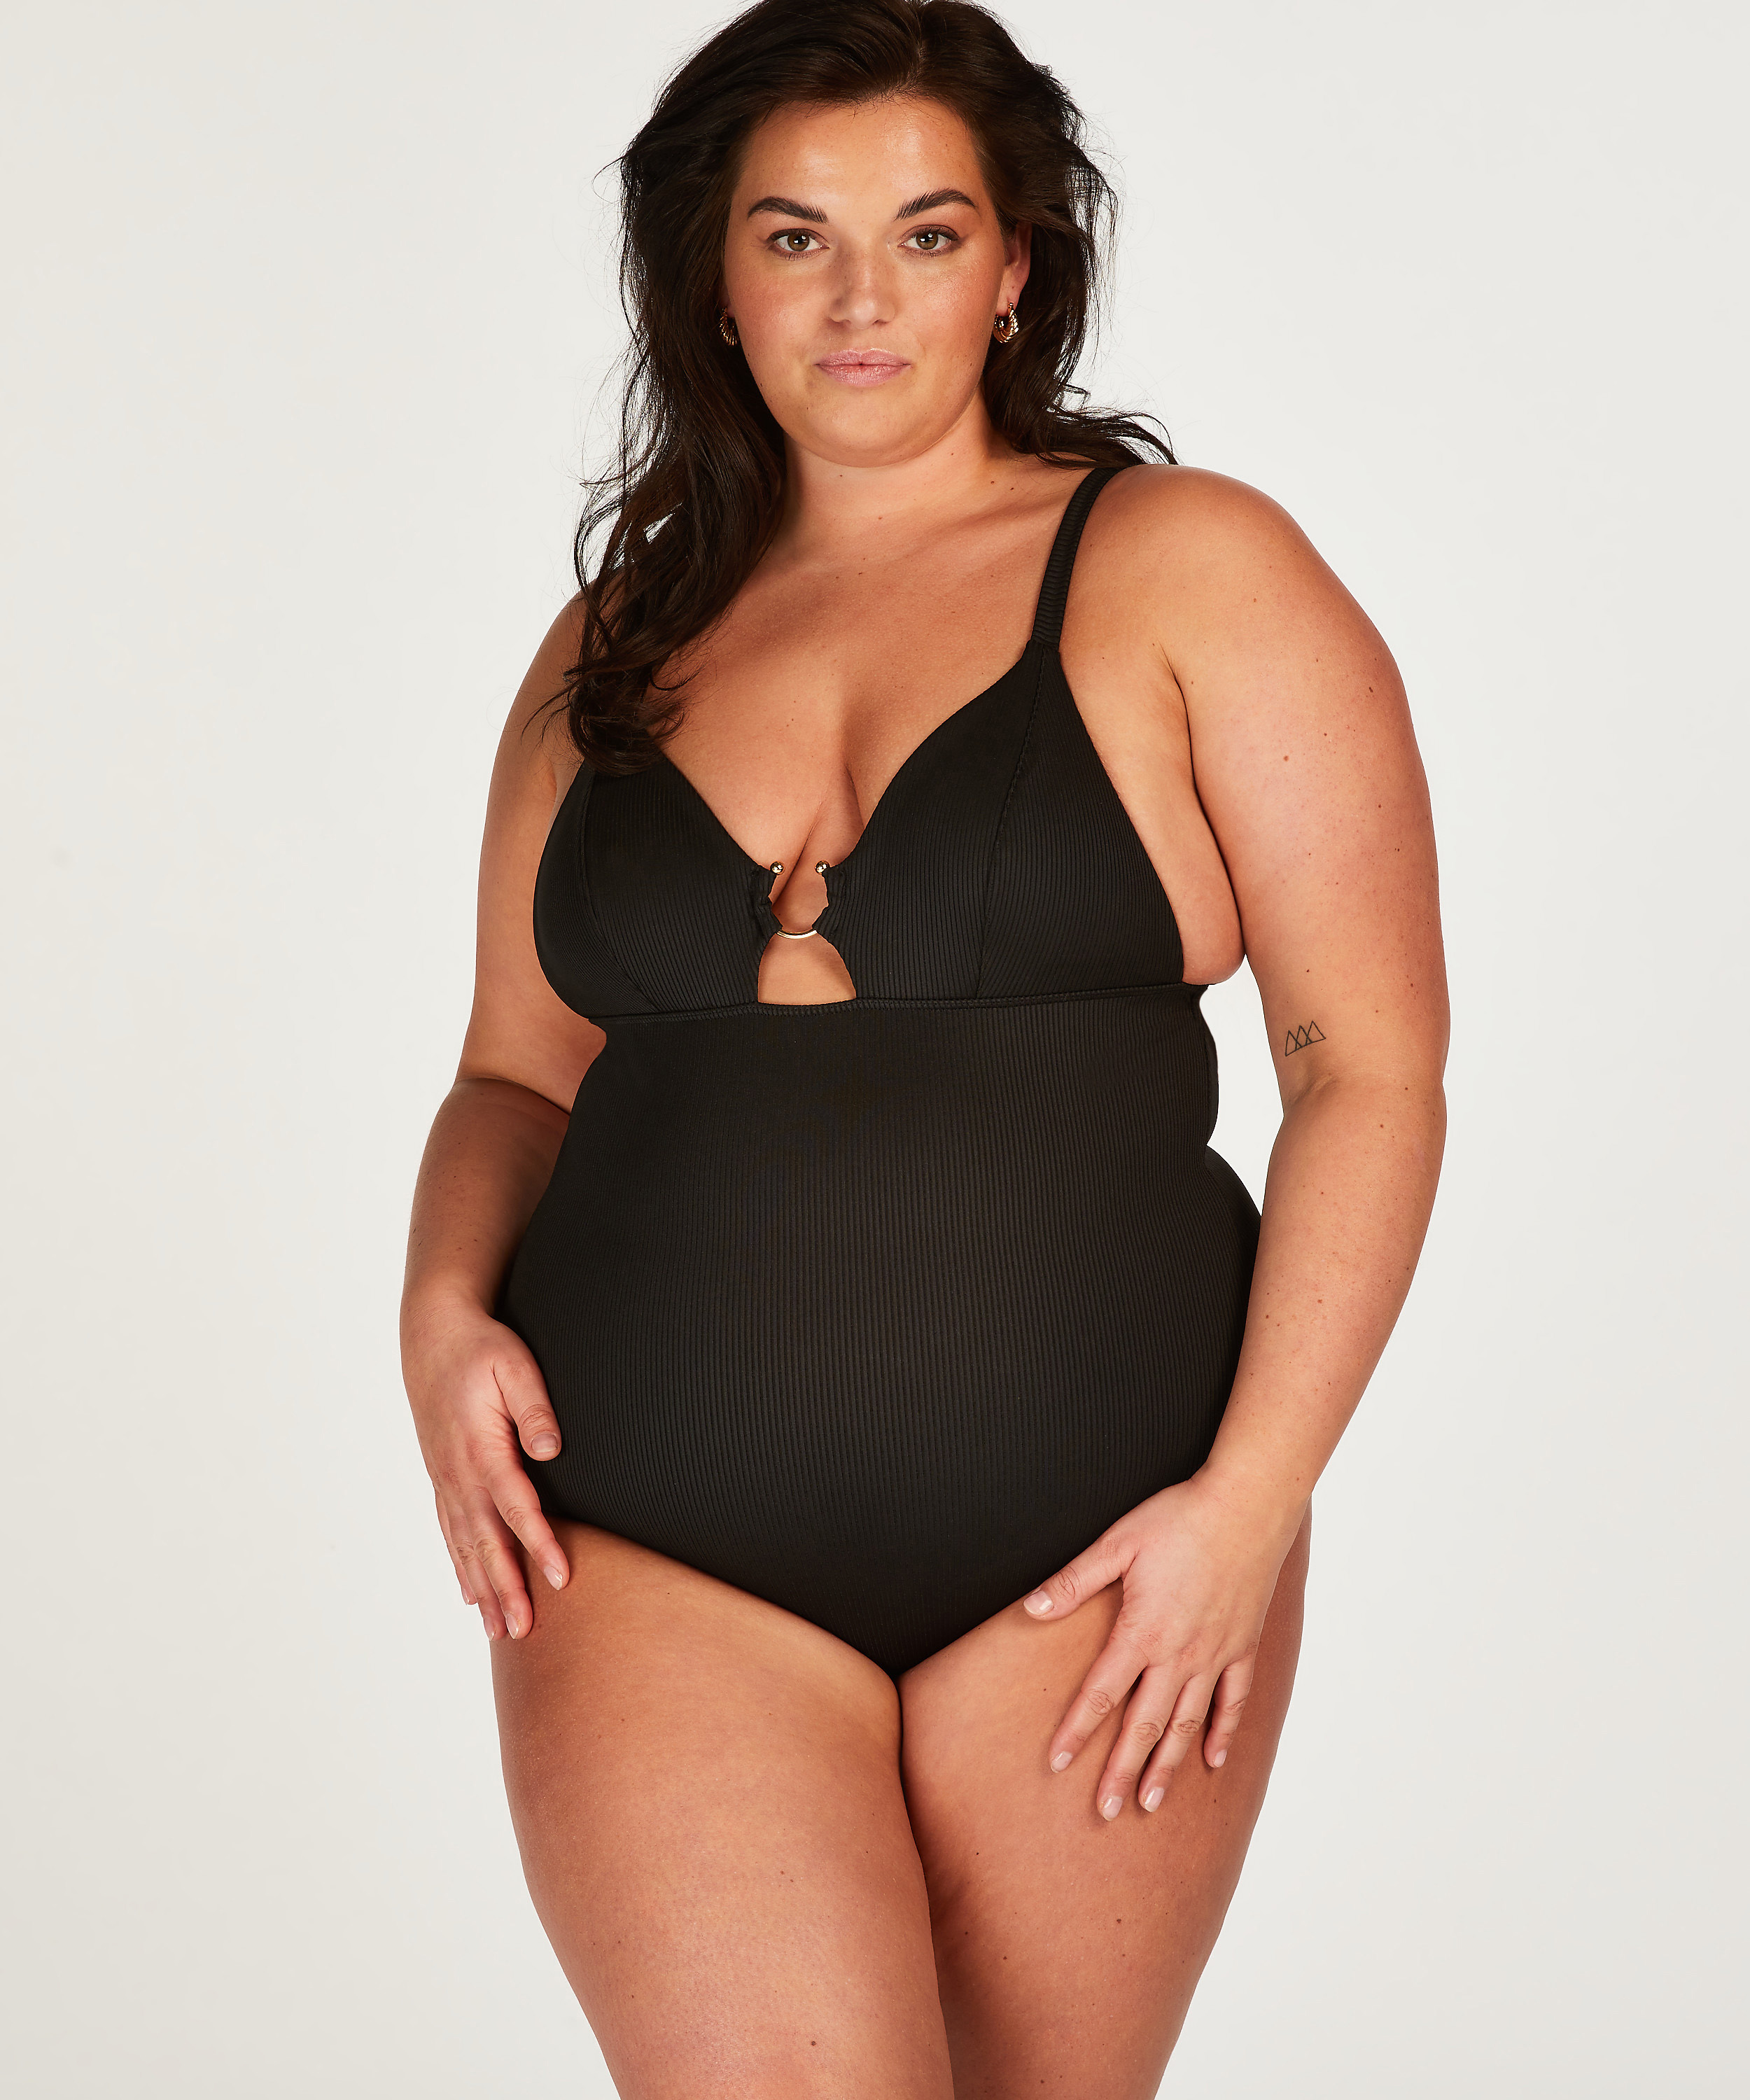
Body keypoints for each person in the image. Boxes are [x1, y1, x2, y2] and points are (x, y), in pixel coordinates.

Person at [399, 1, 1448, 2090]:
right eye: (793, 236)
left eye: (927, 233)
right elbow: (513, 1070)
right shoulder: (614, 643)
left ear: (1018, 266)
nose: (860, 298)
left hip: (1105, 1551)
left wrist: (1248, 1508)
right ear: (713, 276)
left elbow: (1369, 1069)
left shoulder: (1190, 569)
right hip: (648, 1541)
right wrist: (435, 1311)